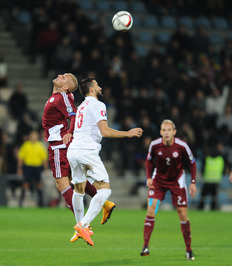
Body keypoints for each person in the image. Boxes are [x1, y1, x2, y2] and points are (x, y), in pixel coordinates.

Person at [67, 77, 143, 246]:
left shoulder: (81, 107)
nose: (100, 87)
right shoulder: (98, 105)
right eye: (97, 85)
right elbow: (105, 132)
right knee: (105, 191)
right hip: (87, 151)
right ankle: (83, 225)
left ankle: (80, 226)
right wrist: (128, 133)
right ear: (92, 89)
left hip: (73, 151)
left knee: (79, 190)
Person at [42, 73, 116, 237]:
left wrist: (69, 131)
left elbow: (73, 115)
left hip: (59, 145)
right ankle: (104, 204)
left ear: (65, 87)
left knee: (63, 185)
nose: (60, 75)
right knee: (74, 183)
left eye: (64, 77)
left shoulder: (63, 96)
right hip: (61, 145)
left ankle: (82, 225)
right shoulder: (59, 96)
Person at [140, 119, 196, 261]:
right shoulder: (154, 145)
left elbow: (192, 162)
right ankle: (145, 246)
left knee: (182, 214)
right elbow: (149, 161)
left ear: (174, 132)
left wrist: (193, 183)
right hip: (158, 181)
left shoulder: (182, 146)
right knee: (151, 210)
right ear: (161, 132)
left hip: (177, 182)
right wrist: (148, 177)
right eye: (164, 130)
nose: (166, 133)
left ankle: (189, 250)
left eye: (169, 130)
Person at [17, 130, 48, 207]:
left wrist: (46, 168)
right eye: (32, 135)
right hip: (28, 167)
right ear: (30, 136)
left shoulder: (40, 146)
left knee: (39, 184)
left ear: (37, 137)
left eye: (35, 135)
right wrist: (19, 168)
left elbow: (44, 159)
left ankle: (41, 203)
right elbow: (21, 158)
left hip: (37, 167)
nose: (34, 137)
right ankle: (21, 201)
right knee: (25, 183)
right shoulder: (25, 145)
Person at [198, 142, 225, 210]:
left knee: (203, 197)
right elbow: (223, 171)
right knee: (214, 198)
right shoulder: (221, 159)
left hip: (207, 181)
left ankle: (200, 209)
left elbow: (202, 170)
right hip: (216, 182)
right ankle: (213, 209)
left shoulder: (207, 159)